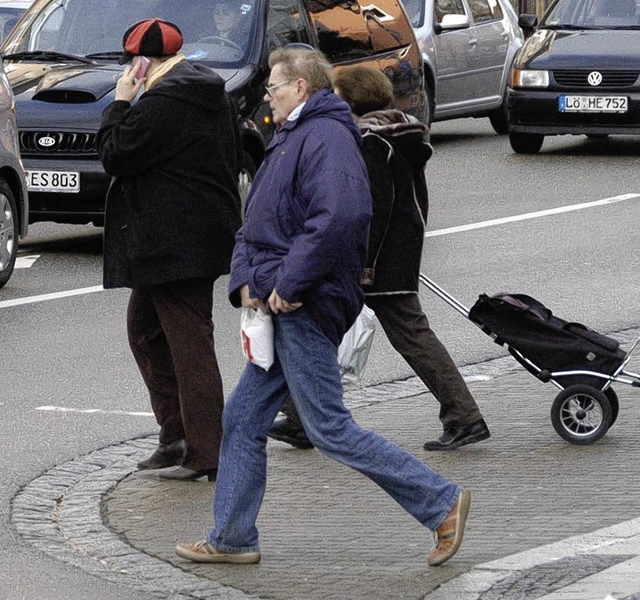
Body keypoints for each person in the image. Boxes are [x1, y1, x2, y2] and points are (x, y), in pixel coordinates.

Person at [175, 46, 470, 568]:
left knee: (329, 428)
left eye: (275, 85)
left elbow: (341, 217)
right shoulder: (290, 135)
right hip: (276, 303)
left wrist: (289, 283)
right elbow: (255, 221)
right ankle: (233, 538)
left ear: (302, 88)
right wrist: (244, 279)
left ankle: (441, 501)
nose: (268, 95)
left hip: (303, 305)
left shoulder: (328, 136)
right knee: (242, 421)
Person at [268, 66, 490, 452]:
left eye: (336, 94)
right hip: (395, 252)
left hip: (378, 261)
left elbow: (374, 208)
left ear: (349, 100)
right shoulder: (398, 131)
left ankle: (464, 416)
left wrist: (365, 264)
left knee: (403, 336)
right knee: (321, 330)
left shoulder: (372, 142)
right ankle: (302, 417)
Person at [96, 18, 242, 481]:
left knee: (189, 344)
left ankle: (207, 452)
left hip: (174, 243)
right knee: (146, 331)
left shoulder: (164, 101)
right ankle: (175, 434)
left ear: (142, 62)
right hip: (183, 237)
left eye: (131, 63)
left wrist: (120, 102)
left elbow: (115, 152)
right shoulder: (203, 90)